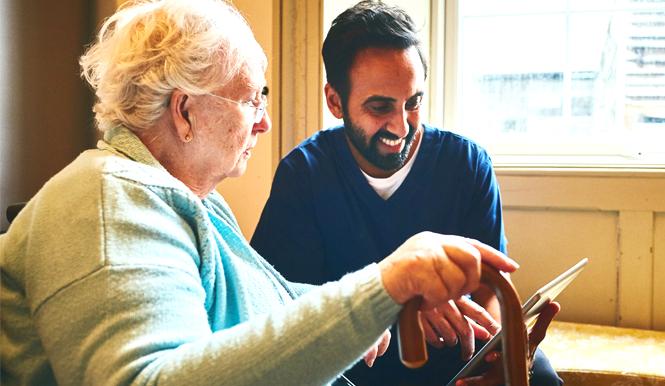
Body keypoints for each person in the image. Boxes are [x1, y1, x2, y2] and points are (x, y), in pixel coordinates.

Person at [0, 1, 531, 385]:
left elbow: (259, 310)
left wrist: (377, 307)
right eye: (251, 100)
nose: (265, 121)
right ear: (185, 111)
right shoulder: (108, 203)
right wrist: (384, 286)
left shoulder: (195, 203)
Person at [251, 1, 563, 385]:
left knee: (539, 377)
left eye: (413, 103)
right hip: (358, 361)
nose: (401, 126)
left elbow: (492, 291)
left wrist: (498, 356)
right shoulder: (304, 175)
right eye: (380, 107)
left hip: (455, 360)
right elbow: (276, 305)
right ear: (335, 102)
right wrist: (394, 304)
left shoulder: (466, 164)